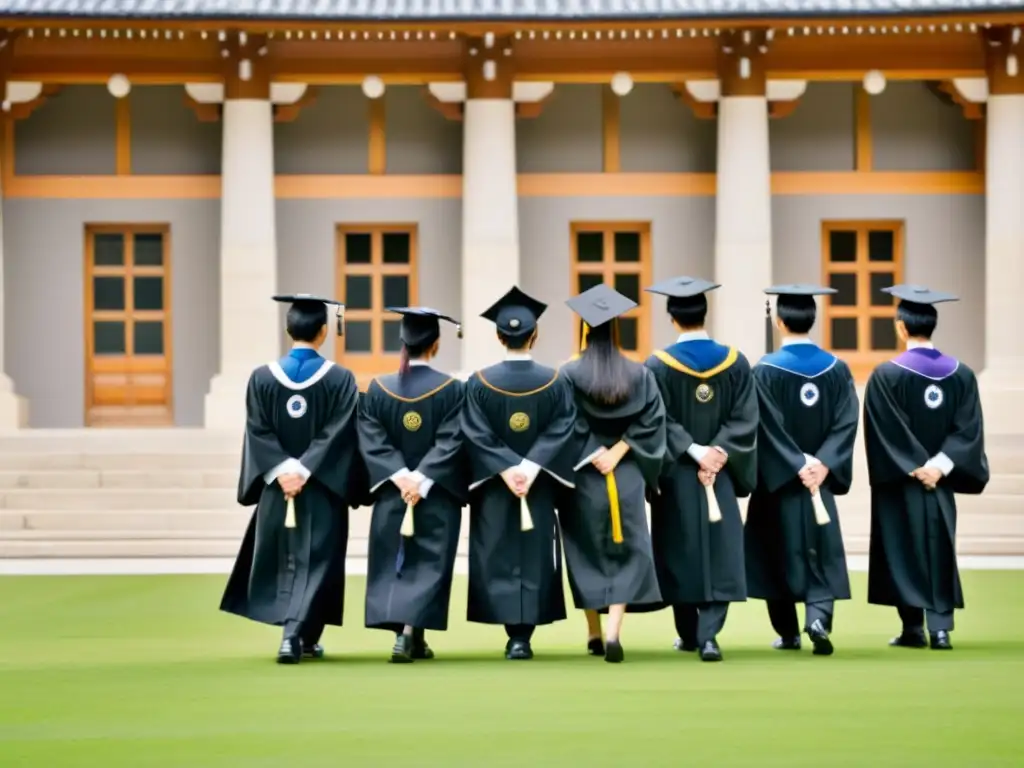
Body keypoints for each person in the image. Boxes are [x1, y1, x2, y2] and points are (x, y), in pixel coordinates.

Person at [221, 294, 366, 664]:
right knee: (317, 561)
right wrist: (305, 469)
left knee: (285, 558)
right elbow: (340, 431)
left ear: (288, 329)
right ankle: (295, 636)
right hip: (322, 488)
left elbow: (257, 430)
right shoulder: (340, 379)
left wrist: (283, 470)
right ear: (323, 332)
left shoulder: (261, 378)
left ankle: (300, 636)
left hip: (277, 489)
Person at [864, 284, 989, 651]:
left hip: (903, 480)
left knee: (902, 548)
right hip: (942, 481)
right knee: (940, 546)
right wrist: (940, 465)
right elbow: (969, 429)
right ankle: (941, 629)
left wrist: (915, 465)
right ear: (932, 326)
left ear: (901, 327)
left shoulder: (886, 375)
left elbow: (884, 428)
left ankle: (913, 628)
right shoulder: (962, 374)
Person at [643, 276, 758, 662]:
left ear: (671, 317)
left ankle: (690, 634)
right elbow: (745, 417)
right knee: (720, 549)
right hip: (720, 473)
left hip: (678, 473)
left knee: (679, 548)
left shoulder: (657, 365)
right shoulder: (735, 361)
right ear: (706, 313)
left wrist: (693, 450)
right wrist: (719, 452)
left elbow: (657, 419)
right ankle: (710, 636)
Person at [461, 286, 577, 660]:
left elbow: (474, 431)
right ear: (535, 334)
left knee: (497, 549)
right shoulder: (556, 381)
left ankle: (512, 635)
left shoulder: (478, 383)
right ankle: (523, 637)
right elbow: (563, 428)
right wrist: (529, 466)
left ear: (498, 335)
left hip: (496, 487)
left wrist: (506, 467)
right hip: (538, 485)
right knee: (534, 550)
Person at [745, 284, 859, 656]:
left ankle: (789, 632)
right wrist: (823, 462)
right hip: (819, 484)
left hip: (780, 482)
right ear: (814, 318)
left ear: (779, 322)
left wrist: (796, 462)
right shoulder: (837, 369)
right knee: (821, 551)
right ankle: (819, 619)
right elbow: (847, 421)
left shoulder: (765, 369)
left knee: (775, 551)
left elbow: (765, 425)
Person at [559, 285, 666, 663]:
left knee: (585, 549)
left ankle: (593, 631)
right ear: (616, 329)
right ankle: (616, 633)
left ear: (586, 329)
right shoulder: (638, 372)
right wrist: (621, 450)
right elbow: (653, 420)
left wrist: (594, 452)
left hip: (585, 475)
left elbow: (563, 422)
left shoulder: (569, 373)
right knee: (625, 551)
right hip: (627, 475)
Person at [358, 307, 467, 663]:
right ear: (436, 344)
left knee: (397, 561)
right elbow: (453, 440)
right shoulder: (453, 389)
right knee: (428, 563)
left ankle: (410, 635)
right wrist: (421, 479)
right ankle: (408, 635)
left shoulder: (377, 388)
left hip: (393, 493)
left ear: (402, 343)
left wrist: (400, 476)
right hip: (435, 493)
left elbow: (370, 438)